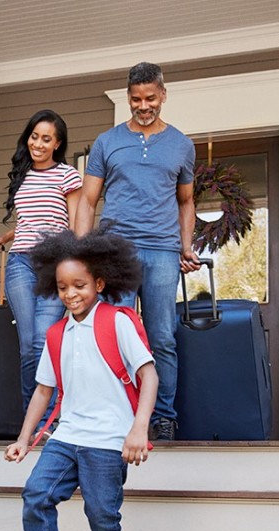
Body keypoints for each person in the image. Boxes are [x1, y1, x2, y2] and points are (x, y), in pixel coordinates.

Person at [4, 227, 157, 531]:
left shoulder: (118, 322)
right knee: (36, 497)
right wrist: (24, 440)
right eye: (62, 287)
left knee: (102, 516)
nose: (70, 294)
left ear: (99, 285)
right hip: (67, 437)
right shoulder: (57, 334)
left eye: (79, 285)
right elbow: (44, 390)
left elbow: (149, 375)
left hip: (107, 440)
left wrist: (138, 429)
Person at [74, 61, 201, 441]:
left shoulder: (181, 144)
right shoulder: (107, 142)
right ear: (127, 98)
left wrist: (185, 245)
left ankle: (163, 417)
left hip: (162, 251)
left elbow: (186, 202)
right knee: (117, 335)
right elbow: (87, 200)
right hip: (116, 251)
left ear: (163, 94)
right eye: (135, 99)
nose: (143, 106)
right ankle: (121, 412)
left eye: (150, 98)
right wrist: (83, 252)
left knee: (161, 336)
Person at [0, 109, 82, 425]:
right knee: (28, 346)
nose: (38, 144)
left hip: (56, 265)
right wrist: (4, 236)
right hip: (20, 263)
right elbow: (30, 220)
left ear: (58, 143)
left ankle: (48, 418)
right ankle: (36, 421)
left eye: (46, 139)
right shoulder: (22, 175)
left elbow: (74, 221)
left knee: (44, 340)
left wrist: (78, 261)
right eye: (34, 136)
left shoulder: (67, 175)